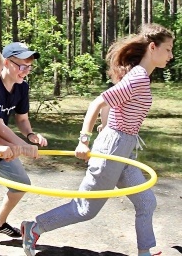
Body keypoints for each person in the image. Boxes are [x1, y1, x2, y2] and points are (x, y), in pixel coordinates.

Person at [20, 23, 174, 256]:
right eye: (168, 49)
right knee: (86, 209)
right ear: (153, 47)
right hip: (114, 148)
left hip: (125, 146)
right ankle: (35, 227)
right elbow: (99, 102)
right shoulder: (139, 77)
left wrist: (106, 125)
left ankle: (144, 252)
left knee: (146, 202)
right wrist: (84, 139)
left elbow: (111, 103)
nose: (171, 56)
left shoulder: (140, 76)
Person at [0, 41, 48, 238]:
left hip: (3, 147)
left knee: (21, 184)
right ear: (6, 63)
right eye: (22, 66)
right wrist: (22, 147)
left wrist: (31, 136)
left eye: (29, 67)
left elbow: (22, 119)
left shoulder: (22, 87)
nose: (26, 71)